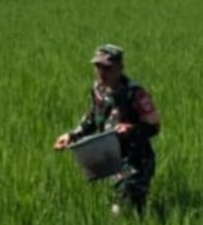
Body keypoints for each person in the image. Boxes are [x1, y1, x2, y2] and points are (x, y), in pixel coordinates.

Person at [53, 44, 160, 215]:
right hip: (111, 158)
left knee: (125, 202)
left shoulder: (135, 93)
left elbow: (154, 127)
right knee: (129, 207)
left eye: (107, 68)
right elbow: (93, 117)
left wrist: (131, 129)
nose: (102, 72)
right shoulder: (98, 89)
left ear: (120, 68)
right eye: (98, 67)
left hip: (136, 161)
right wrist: (71, 135)